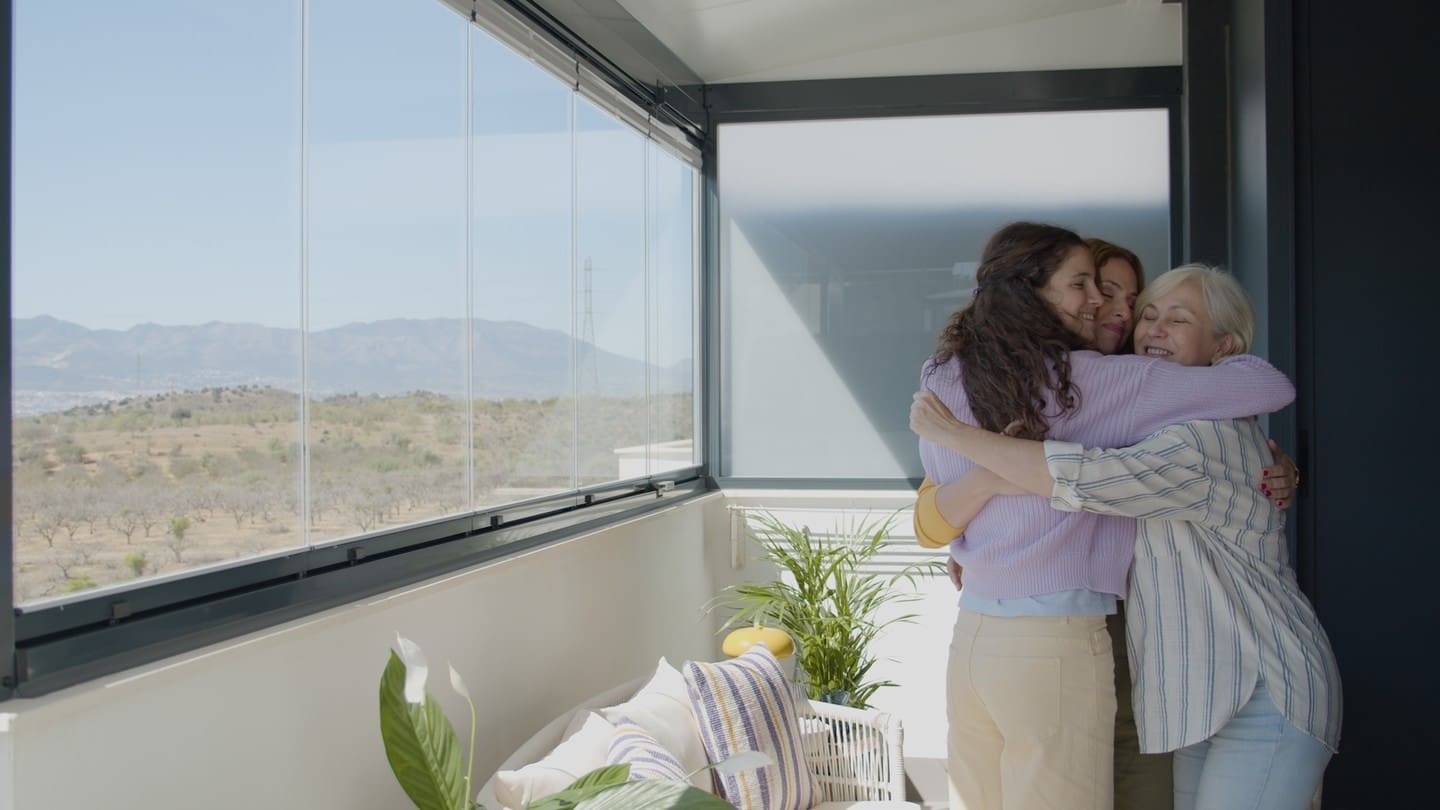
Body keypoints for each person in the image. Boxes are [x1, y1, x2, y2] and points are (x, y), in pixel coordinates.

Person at [911, 264, 1341, 810]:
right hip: (1192, 687)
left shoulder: (1201, 435)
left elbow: (1090, 478)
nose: (1145, 324)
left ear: (1222, 346)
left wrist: (958, 438)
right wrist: (979, 531)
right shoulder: (1114, 412)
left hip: (1262, 680)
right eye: (1148, 315)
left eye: (1174, 318)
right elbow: (934, 508)